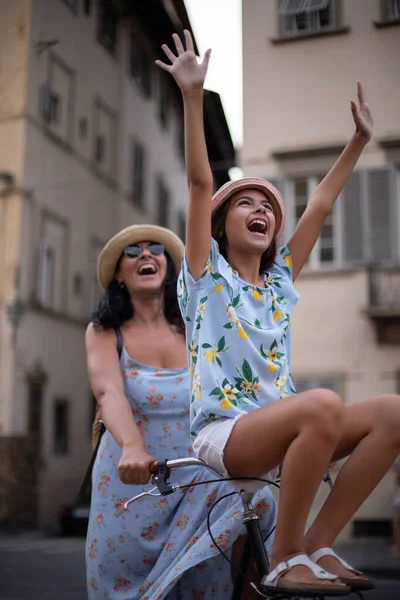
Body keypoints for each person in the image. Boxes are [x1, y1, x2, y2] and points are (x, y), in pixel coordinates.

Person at [154, 30, 400, 596]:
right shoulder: (204, 274)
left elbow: (320, 202)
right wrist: (193, 96)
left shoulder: (279, 281)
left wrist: (358, 143)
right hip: (225, 435)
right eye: (247, 202)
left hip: (289, 433)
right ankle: (285, 558)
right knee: (320, 405)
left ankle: (315, 543)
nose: (261, 209)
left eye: (268, 206)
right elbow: (198, 183)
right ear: (220, 225)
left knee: (390, 412)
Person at [84, 224, 277, 600]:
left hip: (197, 474)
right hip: (132, 479)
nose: (145, 254)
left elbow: (235, 389)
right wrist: (132, 447)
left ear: (169, 268)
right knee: (123, 583)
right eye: (132, 251)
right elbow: (109, 392)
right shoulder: (105, 331)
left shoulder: (196, 324)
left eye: (155, 248)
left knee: (258, 505)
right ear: (119, 275)